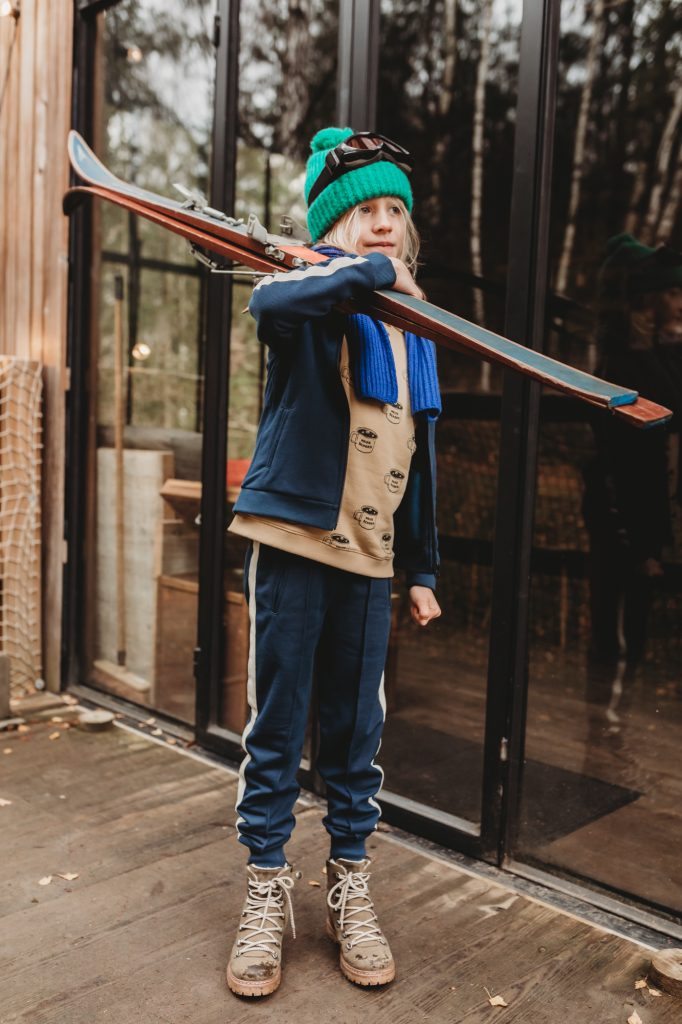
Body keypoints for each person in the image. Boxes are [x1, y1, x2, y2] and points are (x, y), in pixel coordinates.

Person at [225, 126, 442, 997]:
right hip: (292, 540)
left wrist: (422, 568)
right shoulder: (307, 294)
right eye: (365, 211)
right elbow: (271, 306)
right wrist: (367, 275)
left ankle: (349, 881)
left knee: (357, 732)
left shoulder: (414, 332)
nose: (383, 222)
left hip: (370, 556)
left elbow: (417, 456)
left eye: (395, 210)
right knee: (278, 725)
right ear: (334, 226)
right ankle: (264, 886)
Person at [583, 233, 682, 746]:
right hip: (627, 523)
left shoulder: (657, 356)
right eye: (673, 292)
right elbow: (616, 462)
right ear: (648, 299)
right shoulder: (623, 364)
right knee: (620, 632)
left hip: (650, 523)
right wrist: (638, 543)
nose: (681, 302)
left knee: (633, 631)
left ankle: (614, 736)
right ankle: (606, 740)